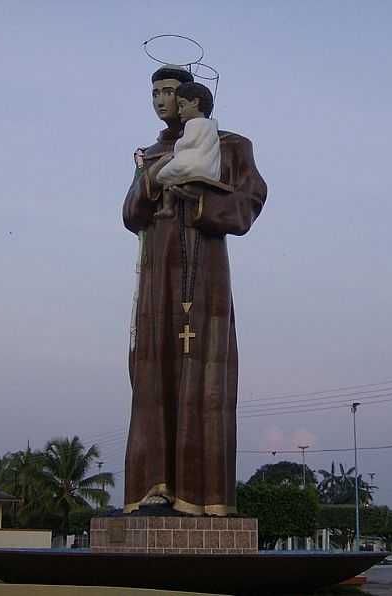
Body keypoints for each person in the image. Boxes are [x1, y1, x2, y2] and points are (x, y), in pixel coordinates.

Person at [122, 65, 267, 515]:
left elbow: (250, 200)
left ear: (192, 98)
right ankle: (153, 486)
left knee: (204, 374)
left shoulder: (231, 146)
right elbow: (130, 214)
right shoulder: (151, 153)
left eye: (170, 92)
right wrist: (152, 178)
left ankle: (203, 496)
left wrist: (202, 200)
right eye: (155, 93)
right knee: (152, 370)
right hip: (156, 268)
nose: (162, 100)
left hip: (203, 266)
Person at [154, 81, 221, 218]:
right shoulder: (211, 126)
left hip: (192, 164)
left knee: (165, 176)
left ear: (195, 102)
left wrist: (178, 145)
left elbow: (189, 141)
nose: (160, 102)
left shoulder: (193, 124)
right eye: (155, 94)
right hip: (209, 169)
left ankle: (168, 207)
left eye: (168, 93)